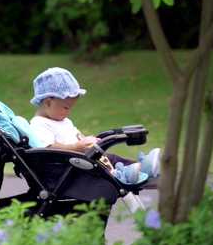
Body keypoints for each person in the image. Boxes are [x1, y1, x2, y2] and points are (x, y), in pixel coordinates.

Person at [28, 67, 160, 184]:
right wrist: (74, 148)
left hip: (80, 158)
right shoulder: (39, 125)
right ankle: (119, 175)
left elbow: (76, 134)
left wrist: (87, 141)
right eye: (66, 107)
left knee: (111, 158)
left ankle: (141, 167)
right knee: (100, 166)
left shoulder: (62, 119)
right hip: (68, 167)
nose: (68, 112)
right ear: (48, 103)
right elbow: (49, 148)